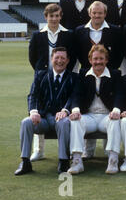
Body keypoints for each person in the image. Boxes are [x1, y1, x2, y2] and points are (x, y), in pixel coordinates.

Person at [14, 47, 78, 175]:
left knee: (64, 123)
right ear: (51, 59)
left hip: (60, 118)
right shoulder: (40, 75)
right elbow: (33, 95)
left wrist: (65, 110)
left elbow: (74, 97)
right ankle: (25, 162)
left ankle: (63, 161)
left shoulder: (74, 77)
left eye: (63, 58)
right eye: (57, 58)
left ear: (68, 60)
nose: (59, 61)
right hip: (42, 118)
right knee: (26, 122)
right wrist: (33, 112)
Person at [28, 3, 76, 162]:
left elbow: (73, 56)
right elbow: (33, 57)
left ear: (60, 16)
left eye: (57, 16)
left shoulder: (68, 34)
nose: (54, 19)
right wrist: (42, 72)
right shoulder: (37, 35)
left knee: (63, 112)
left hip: (63, 75)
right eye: (51, 16)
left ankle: (66, 150)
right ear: (45, 17)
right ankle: (38, 150)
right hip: (43, 77)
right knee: (39, 110)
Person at [67, 44, 123, 175]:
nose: (98, 62)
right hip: (89, 116)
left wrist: (116, 110)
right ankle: (76, 161)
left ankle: (113, 160)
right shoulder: (83, 74)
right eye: (95, 59)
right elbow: (76, 94)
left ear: (106, 60)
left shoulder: (115, 74)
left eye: (101, 59)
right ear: (90, 60)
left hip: (107, 116)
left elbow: (120, 94)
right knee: (75, 121)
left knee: (115, 121)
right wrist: (75, 110)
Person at [73, 1, 123, 71]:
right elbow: (78, 53)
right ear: (89, 13)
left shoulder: (115, 31)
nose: (97, 15)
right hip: (86, 73)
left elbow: (119, 54)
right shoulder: (79, 31)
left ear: (105, 14)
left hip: (109, 74)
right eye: (94, 13)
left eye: (100, 13)